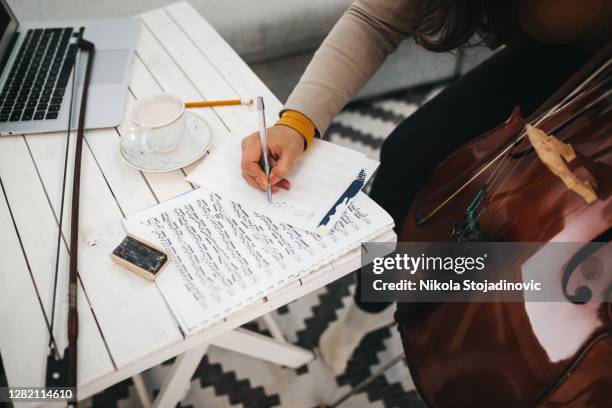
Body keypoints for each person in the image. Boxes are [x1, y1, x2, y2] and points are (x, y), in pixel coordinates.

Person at [240, 0, 611, 373]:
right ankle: (369, 308)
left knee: (547, 229)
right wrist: (297, 123)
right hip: (562, 54)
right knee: (409, 156)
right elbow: (375, 19)